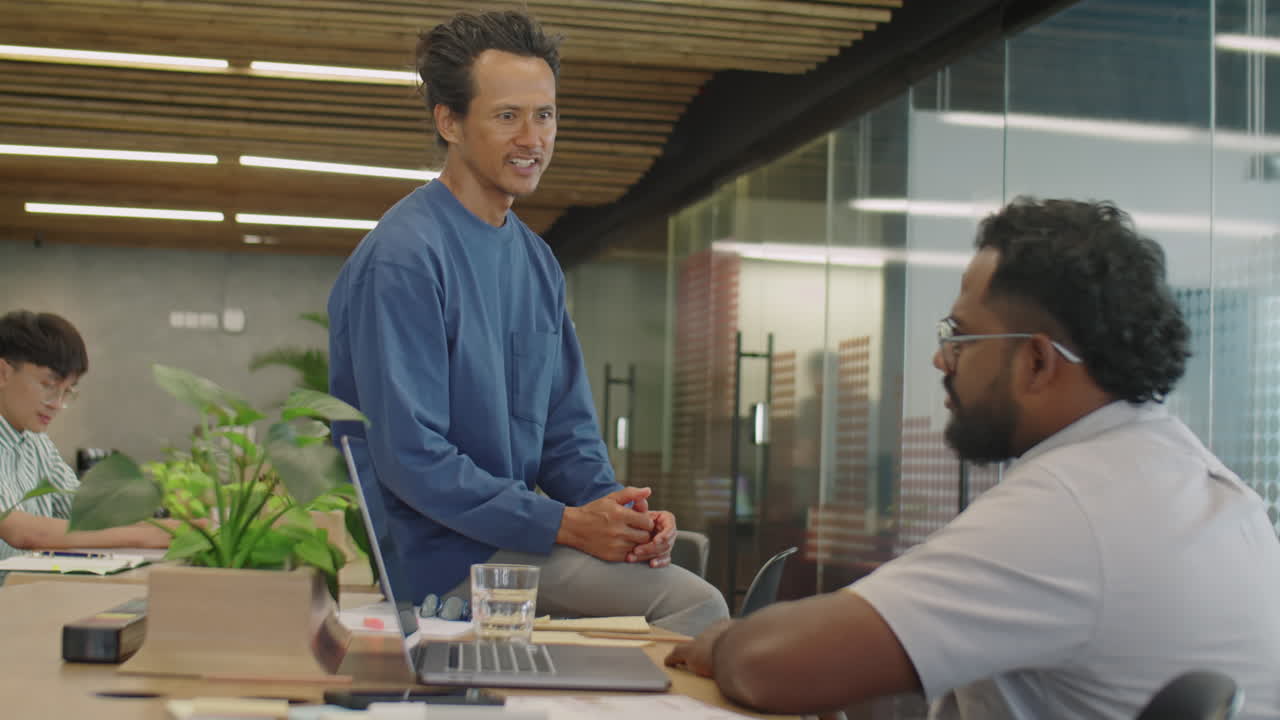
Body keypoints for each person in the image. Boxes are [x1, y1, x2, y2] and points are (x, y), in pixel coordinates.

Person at [665, 198, 1280, 718]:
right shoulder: (1207, 485)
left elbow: (772, 667)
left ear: (1037, 361)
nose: (941, 360)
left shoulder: (1070, 506)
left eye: (959, 338)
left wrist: (723, 641)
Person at [327, 10, 727, 636]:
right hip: (444, 564)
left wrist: (619, 514)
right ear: (449, 122)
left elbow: (566, 433)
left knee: (668, 578)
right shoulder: (406, 255)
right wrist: (567, 525)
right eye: (507, 116)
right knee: (692, 603)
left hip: (517, 543)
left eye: (545, 115)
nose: (532, 138)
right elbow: (411, 458)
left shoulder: (536, 261)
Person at [0, 310, 172, 565]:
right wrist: (142, 536)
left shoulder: (38, 445)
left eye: (67, 392)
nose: (57, 404)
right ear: (3, 372)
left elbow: (87, 515)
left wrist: (166, 525)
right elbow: (22, 532)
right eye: (48, 386)